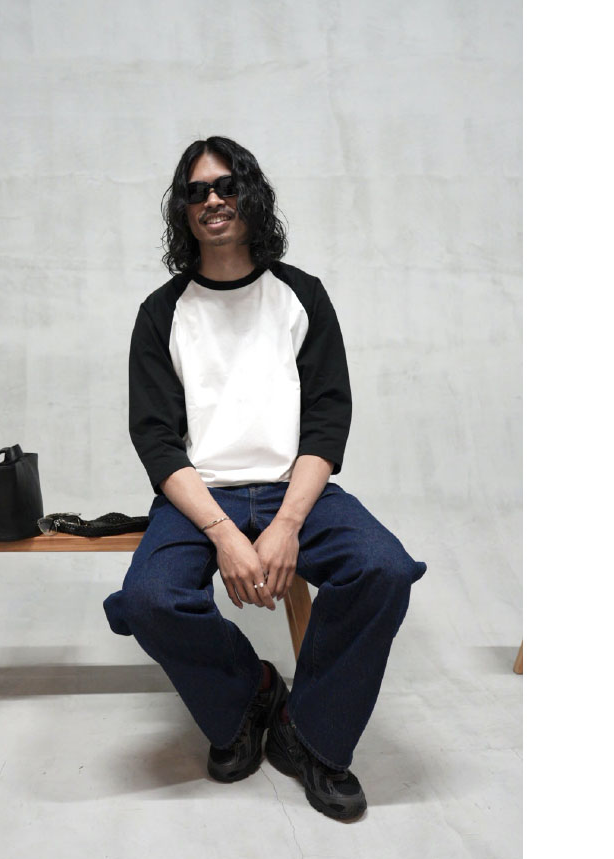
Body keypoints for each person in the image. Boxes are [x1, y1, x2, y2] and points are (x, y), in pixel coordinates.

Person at [104, 136, 426, 821]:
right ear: (183, 209)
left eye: (226, 186)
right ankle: (249, 691)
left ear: (250, 195)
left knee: (383, 569)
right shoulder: (162, 312)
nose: (213, 200)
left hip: (295, 488)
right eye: (196, 192)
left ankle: (314, 734)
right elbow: (156, 440)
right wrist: (224, 534)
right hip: (200, 496)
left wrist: (285, 525)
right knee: (149, 599)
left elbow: (327, 421)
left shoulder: (300, 296)